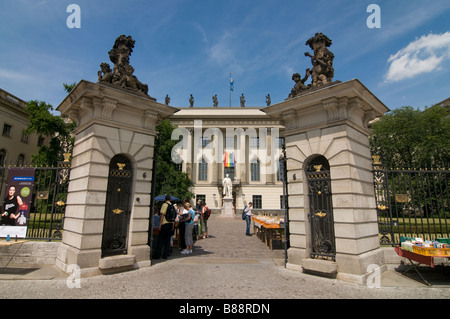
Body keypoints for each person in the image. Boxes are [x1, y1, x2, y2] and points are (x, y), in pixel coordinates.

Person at [153, 195, 174, 259]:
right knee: (167, 240)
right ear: (170, 199)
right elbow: (173, 217)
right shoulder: (172, 206)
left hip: (164, 223)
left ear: (165, 199)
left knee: (161, 240)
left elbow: (162, 214)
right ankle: (166, 254)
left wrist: (160, 224)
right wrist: (173, 225)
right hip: (170, 224)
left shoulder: (164, 205)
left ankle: (158, 255)